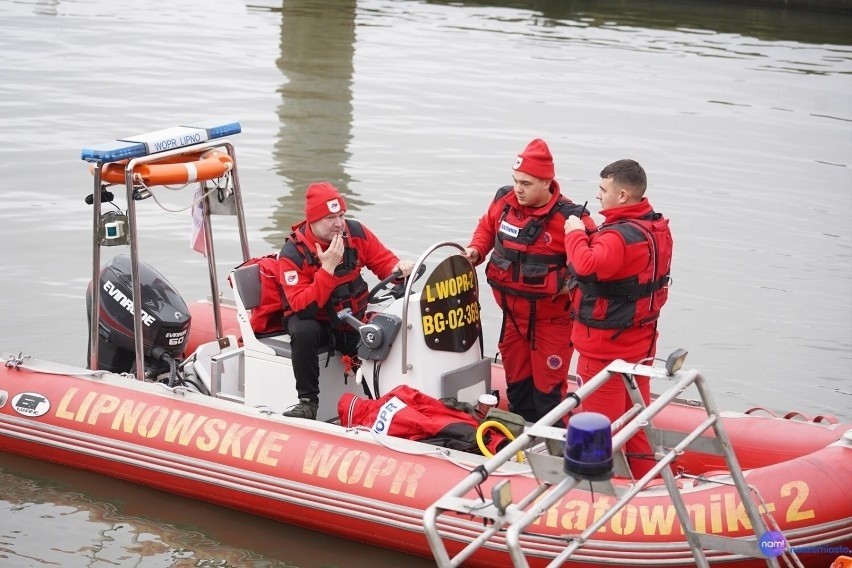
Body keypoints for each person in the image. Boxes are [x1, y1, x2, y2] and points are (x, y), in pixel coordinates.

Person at [463, 139, 595, 422]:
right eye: (516, 181)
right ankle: (516, 449)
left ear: (547, 182)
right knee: (518, 389)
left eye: (526, 183)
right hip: (512, 318)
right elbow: (487, 226)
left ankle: (552, 452)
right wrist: (476, 249)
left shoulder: (571, 218)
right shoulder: (504, 201)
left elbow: (593, 263)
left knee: (548, 395)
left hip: (552, 323)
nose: (518, 189)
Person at [563, 159, 673, 478]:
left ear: (622, 195)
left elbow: (585, 265)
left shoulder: (616, 238)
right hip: (641, 345)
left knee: (598, 429)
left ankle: (603, 498)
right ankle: (647, 482)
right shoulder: (656, 229)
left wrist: (575, 233)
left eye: (603, 189)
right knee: (635, 422)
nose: (598, 196)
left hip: (603, 352)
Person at [278, 182, 414, 419]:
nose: (339, 223)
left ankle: (384, 406)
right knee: (303, 329)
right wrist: (328, 268)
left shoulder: (356, 233)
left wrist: (398, 268)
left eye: (341, 215)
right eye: (331, 218)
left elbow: (384, 263)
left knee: (388, 339)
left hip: (352, 321)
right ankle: (308, 402)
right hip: (318, 323)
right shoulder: (292, 253)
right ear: (313, 220)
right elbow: (303, 306)